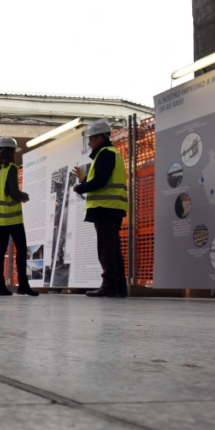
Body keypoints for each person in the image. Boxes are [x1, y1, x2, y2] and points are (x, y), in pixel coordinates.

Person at [72, 119, 128, 297]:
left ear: (99, 138)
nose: (89, 142)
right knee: (112, 248)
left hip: (106, 208)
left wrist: (80, 187)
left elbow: (100, 182)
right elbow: (103, 181)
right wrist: (84, 181)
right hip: (112, 208)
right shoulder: (109, 153)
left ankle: (110, 286)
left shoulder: (105, 153)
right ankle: (119, 287)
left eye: (90, 138)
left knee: (106, 249)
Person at [0, 137, 39, 297]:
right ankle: (23, 285)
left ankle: (0, 287)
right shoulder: (11, 168)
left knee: (0, 251)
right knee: (21, 249)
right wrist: (24, 196)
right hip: (11, 216)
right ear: (11, 152)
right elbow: (13, 192)